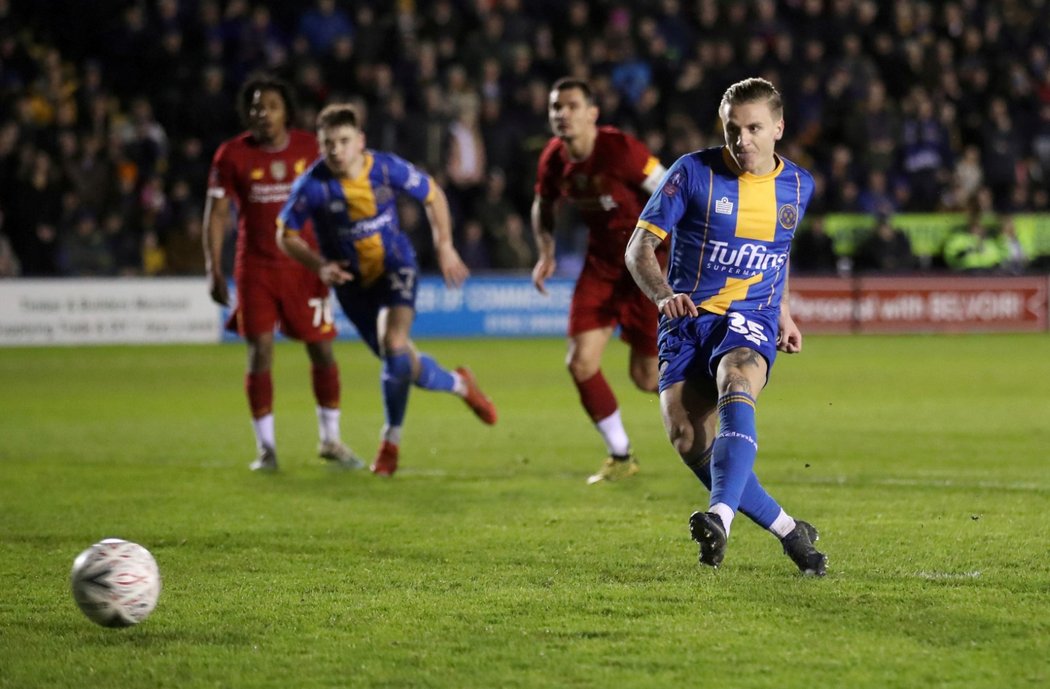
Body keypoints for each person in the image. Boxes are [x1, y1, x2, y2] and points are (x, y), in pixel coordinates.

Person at [625, 77, 827, 575]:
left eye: (755, 128)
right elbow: (638, 249)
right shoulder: (692, 173)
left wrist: (781, 313)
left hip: (749, 316)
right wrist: (664, 295)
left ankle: (719, 517)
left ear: (778, 128)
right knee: (686, 436)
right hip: (688, 317)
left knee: (737, 376)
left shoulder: (798, 186)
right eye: (733, 129)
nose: (743, 140)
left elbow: (776, 257)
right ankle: (789, 531)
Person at [275, 103, 497, 477]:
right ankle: (461, 384)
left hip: (396, 265)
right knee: (399, 363)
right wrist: (320, 265)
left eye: (344, 141)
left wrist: (444, 246)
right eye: (328, 143)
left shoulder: (384, 168)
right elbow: (285, 234)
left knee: (395, 345)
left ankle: (389, 441)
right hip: (352, 286)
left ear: (360, 141)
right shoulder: (312, 186)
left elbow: (433, 194)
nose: (336, 150)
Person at [203, 73, 361, 473]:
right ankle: (266, 449)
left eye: (272, 106)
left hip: (305, 264)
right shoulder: (231, 155)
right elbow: (217, 212)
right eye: (256, 107)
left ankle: (331, 439)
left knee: (322, 348)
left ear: (286, 111)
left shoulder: (311, 148)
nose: (263, 113)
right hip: (255, 266)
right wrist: (213, 266)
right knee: (260, 351)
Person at [531, 77, 669, 485]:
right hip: (603, 266)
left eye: (571, 106)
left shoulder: (620, 149)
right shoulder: (554, 158)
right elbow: (544, 203)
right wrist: (546, 252)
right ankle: (621, 455)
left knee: (646, 378)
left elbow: (670, 188)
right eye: (556, 107)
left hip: (647, 264)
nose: (562, 114)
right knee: (580, 362)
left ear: (592, 113)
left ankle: (718, 390)